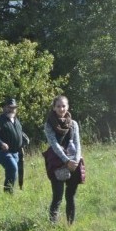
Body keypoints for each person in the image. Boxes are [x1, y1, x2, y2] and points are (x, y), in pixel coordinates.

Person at [43, 95, 83, 224]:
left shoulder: (74, 124)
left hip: (74, 162)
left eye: (64, 106)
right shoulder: (49, 124)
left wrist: (75, 161)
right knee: (58, 196)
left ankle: (70, 225)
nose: (61, 109)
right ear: (54, 108)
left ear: (68, 107)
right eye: (58, 106)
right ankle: (52, 225)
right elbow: (54, 145)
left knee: (70, 196)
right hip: (57, 161)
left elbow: (77, 143)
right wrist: (66, 161)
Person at [0, 97, 29, 193]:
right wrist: (1, 143)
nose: (12, 109)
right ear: (4, 108)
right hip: (3, 152)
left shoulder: (16, 120)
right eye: (9, 107)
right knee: (13, 168)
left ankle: (8, 193)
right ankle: (8, 193)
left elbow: (19, 132)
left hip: (16, 152)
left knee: (13, 173)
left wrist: (24, 138)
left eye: (14, 107)